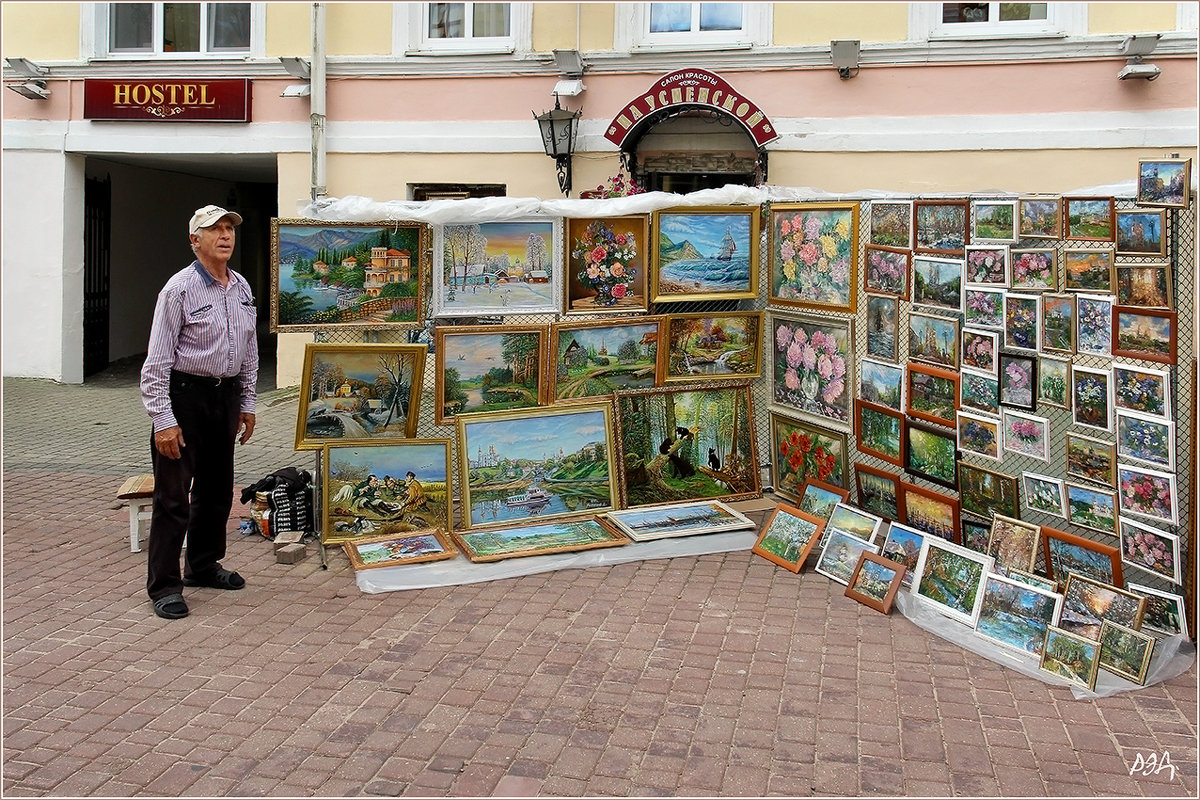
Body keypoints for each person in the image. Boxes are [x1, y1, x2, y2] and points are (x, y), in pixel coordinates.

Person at [140, 204, 258, 620]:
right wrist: (163, 420)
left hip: (223, 398)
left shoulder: (241, 286)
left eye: (229, 229)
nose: (225, 236)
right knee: (173, 496)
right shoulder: (179, 290)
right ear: (195, 241)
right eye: (214, 230)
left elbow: (249, 350)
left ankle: (203, 565)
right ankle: (164, 586)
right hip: (184, 397)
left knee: (217, 490)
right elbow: (155, 363)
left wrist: (246, 402)